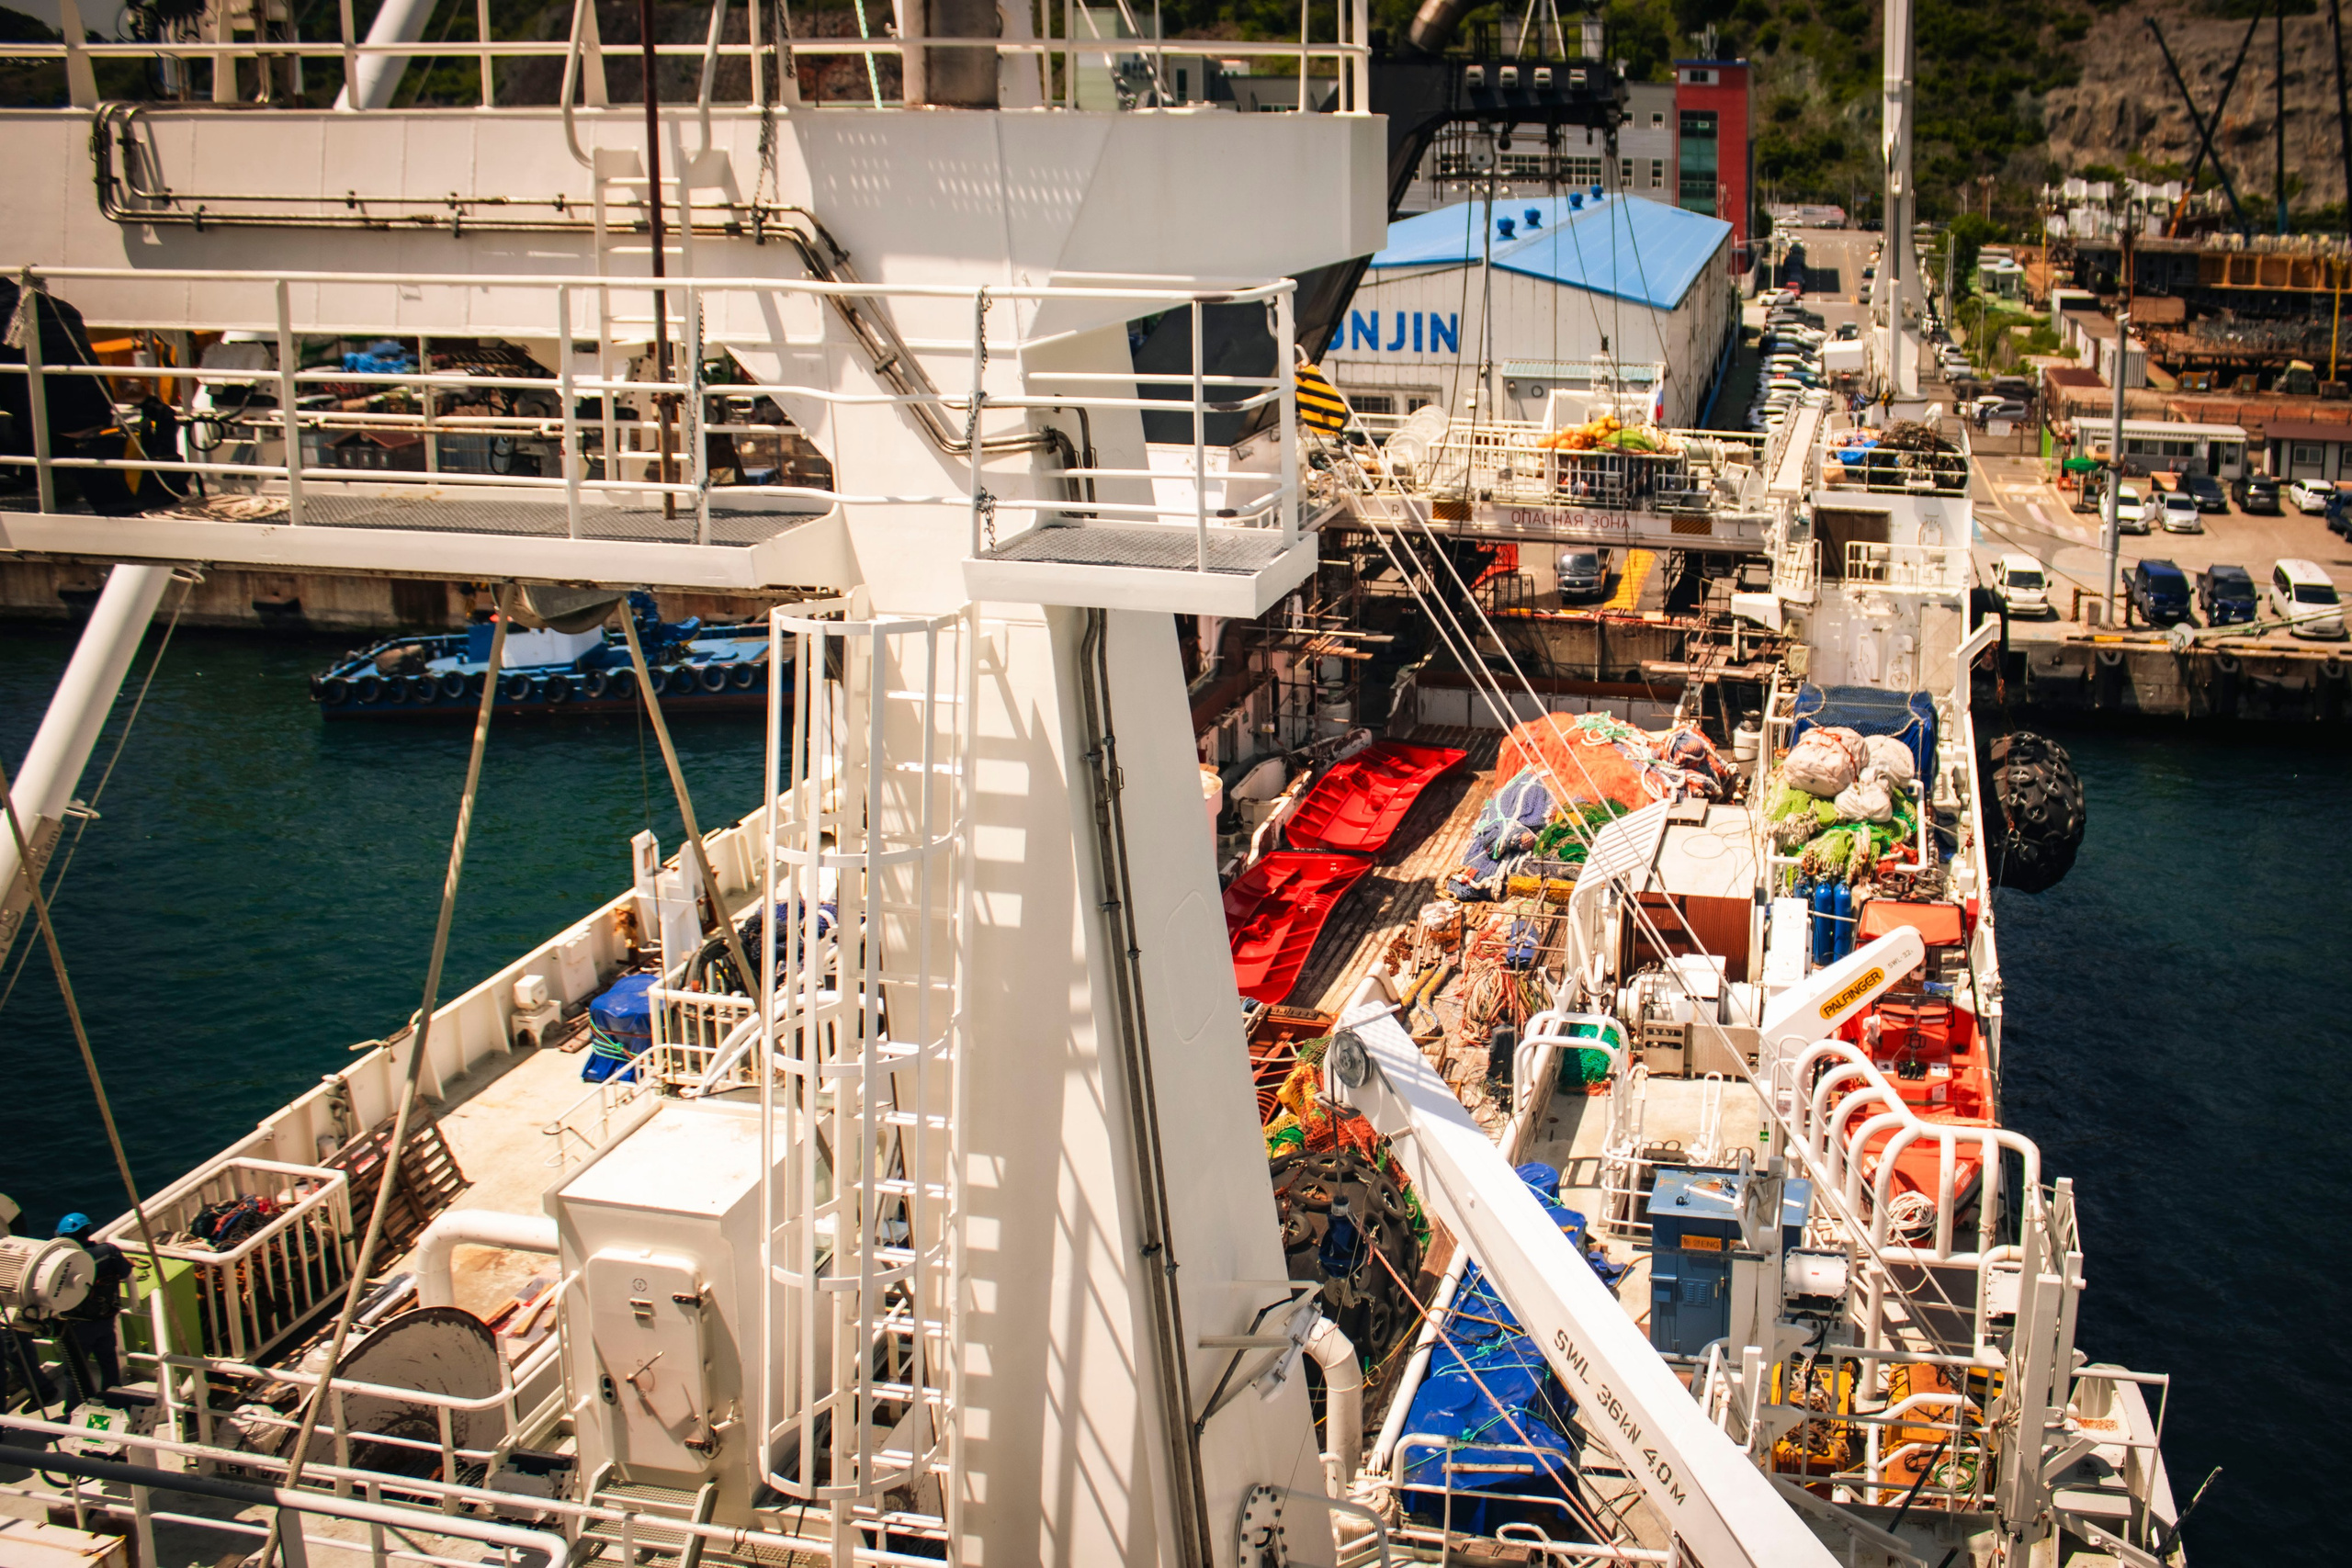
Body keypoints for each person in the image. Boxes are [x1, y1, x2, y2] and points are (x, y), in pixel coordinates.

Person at [51, 1213, 130, 1396]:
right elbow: (125, 1272)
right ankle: (112, 1398)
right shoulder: (110, 1252)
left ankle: (75, 1409)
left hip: (77, 1325)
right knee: (108, 1361)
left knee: (75, 1369)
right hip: (105, 1318)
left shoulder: (65, 1263)